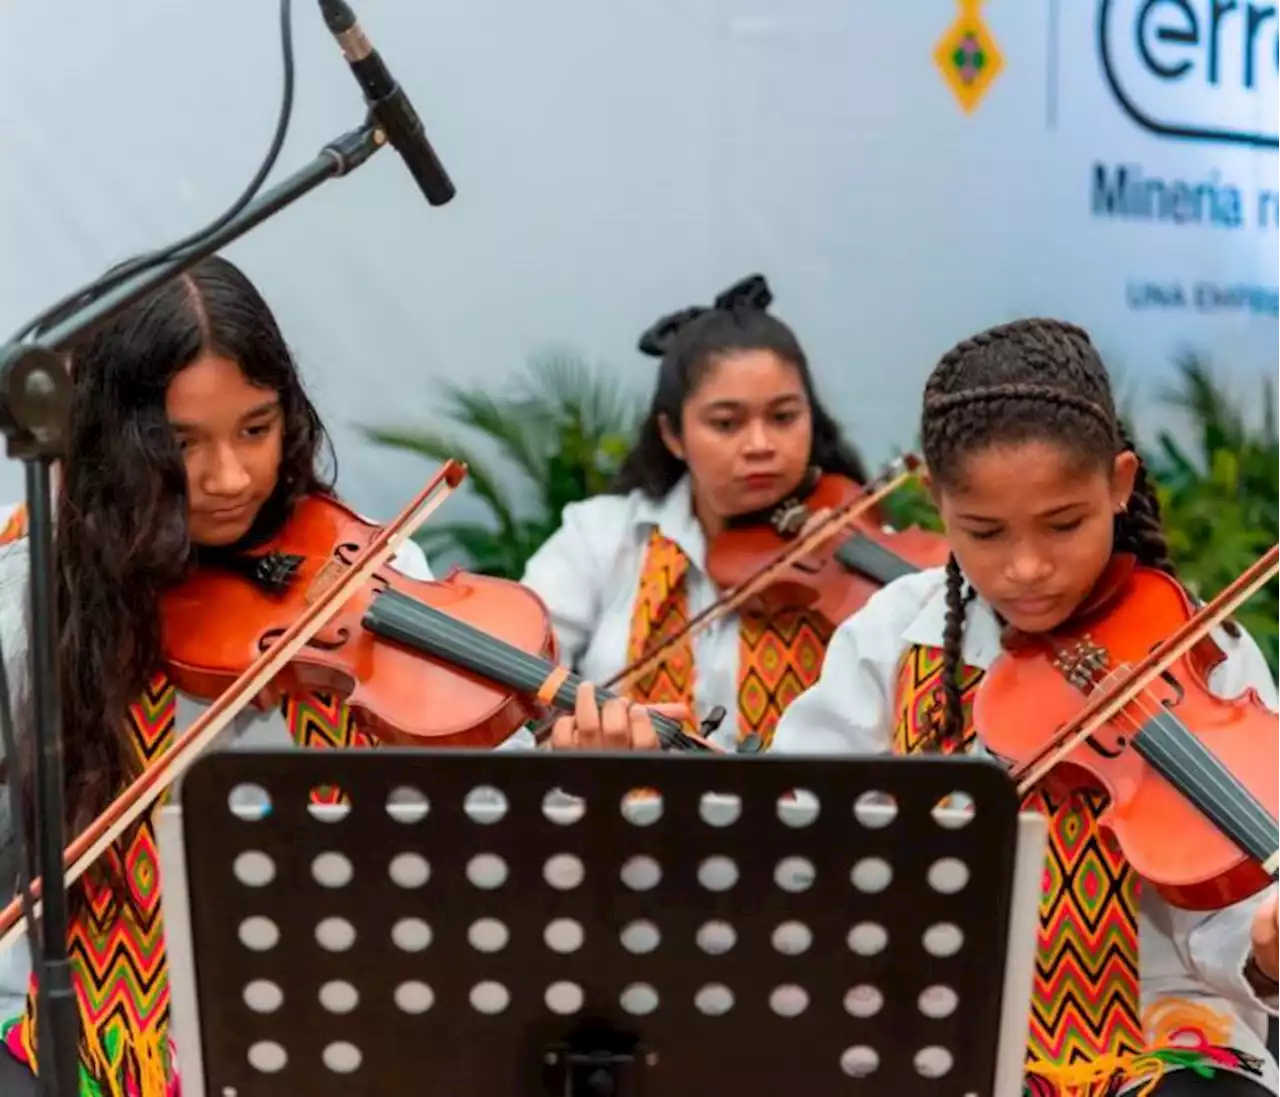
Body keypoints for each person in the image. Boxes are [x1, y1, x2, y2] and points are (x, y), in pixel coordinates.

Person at [552, 318, 1280, 1095]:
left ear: (1119, 482)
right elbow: (796, 830)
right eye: (985, 532)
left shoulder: (1206, 651)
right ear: (935, 501)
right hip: (920, 1020)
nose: (1028, 568)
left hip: (1148, 1032)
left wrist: (1267, 946)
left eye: (1065, 524)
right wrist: (652, 789)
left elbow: (1230, 906)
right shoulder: (895, 632)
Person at [0, 255, 452, 1096]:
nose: (232, 477)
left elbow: (453, 812)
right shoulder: (32, 589)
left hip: (333, 1037)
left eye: (257, 427)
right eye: (180, 445)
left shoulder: (369, 575)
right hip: (99, 1052)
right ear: (107, 441)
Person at [521, 273, 878, 752]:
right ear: (672, 435)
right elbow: (516, 696)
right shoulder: (598, 537)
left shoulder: (857, 544)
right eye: (726, 423)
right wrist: (568, 751)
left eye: (784, 417)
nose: (760, 445)